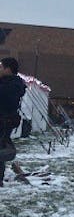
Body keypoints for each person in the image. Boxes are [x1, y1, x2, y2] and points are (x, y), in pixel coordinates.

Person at [0, 58, 26, 187]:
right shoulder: (7, 82)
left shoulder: (13, 85)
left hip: (4, 122)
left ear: (8, 69)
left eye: (1, 67)